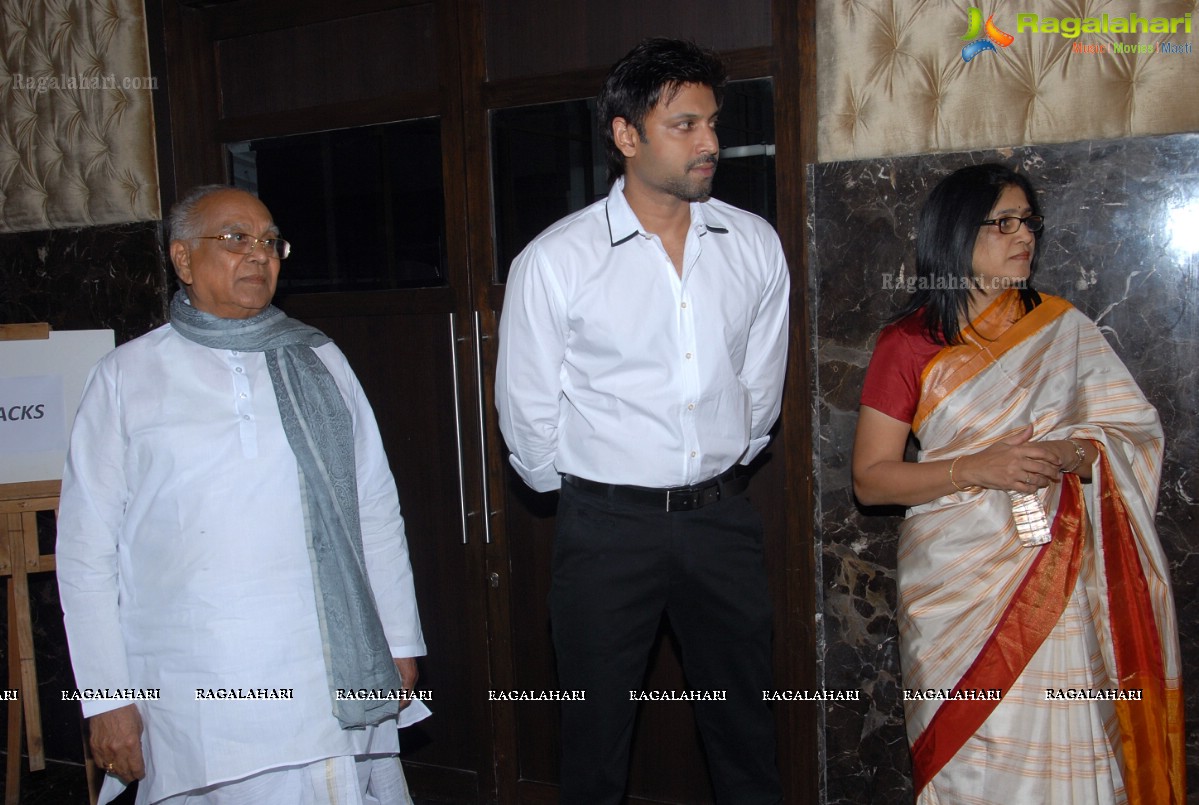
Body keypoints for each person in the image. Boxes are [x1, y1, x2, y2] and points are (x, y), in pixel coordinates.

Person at [56, 186, 429, 805]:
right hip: (192, 691)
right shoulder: (125, 377)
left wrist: (398, 640)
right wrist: (106, 699)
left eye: (269, 242)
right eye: (234, 239)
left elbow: (375, 510)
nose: (258, 255)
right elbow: (84, 555)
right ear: (181, 259)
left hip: (323, 677)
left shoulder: (321, 361)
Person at [495, 37, 788, 805]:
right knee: (594, 737)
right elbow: (527, 415)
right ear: (626, 136)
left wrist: (720, 465)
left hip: (720, 520)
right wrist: (596, 493)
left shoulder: (753, 244)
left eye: (713, 123)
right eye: (684, 125)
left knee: (745, 726)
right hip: (604, 528)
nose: (710, 143)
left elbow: (760, 391)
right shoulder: (556, 260)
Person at [852, 164, 1183, 803]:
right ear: (954, 233)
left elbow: (1132, 435)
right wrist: (978, 468)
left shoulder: (1066, 328)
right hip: (955, 587)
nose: (1022, 234)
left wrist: (1069, 452)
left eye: (1028, 221)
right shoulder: (912, 342)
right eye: (1002, 222)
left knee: (1064, 741)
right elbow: (870, 480)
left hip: (1053, 576)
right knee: (970, 756)